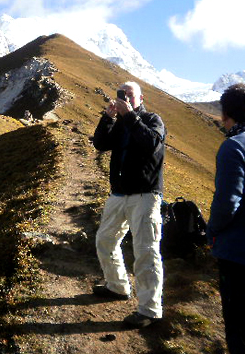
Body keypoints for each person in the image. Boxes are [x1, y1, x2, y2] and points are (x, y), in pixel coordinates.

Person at [92, 81, 165, 328]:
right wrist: (107, 118)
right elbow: (101, 144)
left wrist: (130, 116)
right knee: (105, 240)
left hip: (145, 195)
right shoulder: (122, 122)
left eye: (129, 95)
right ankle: (117, 285)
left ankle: (150, 310)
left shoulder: (152, 119)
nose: (125, 98)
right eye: (121, 94)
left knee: (146, 251)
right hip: (119, 194)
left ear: (141, 97)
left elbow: (152, 143)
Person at [207, 83, 245, 354]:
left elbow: (227, 203)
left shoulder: (234, 146)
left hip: (240, 253)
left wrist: (211, 233)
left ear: (225, 113)